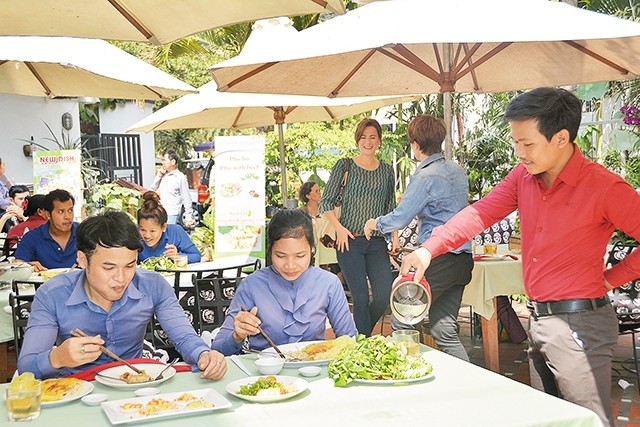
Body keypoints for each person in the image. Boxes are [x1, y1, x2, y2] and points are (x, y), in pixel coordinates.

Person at [400, 87, 640, 427]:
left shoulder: (604, 187)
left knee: (590, 422)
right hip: (539, 320)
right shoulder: (523, 176)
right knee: (549, 419)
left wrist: (611, 278)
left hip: (580, 324)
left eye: (527, 144)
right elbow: (481, 213)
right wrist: (428, 249)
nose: (519, 152)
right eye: (516, 142)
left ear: (560, 138)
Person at [17, 209, 227, 380]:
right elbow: (27, 366)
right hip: (75, 389)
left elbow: (184, 337)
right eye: (108, 268)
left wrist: (204, 354)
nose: (121, 278)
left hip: (134, 385)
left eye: (130, 265)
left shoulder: (153, 285)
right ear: (82, 260)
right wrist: (57, 357)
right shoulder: (52, 294)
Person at [364, 114, 473, 361]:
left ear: (415, 143)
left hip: (437, 258)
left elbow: (401, 218)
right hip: (463, 259)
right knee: (443, 329)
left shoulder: (425, 176)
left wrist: (374, 223)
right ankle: (466, 384)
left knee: (402, 321)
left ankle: (406, 384)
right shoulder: (457, 171)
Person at [212, 208, 357, 356]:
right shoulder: (251, 285)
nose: (290, 265)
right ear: (270, 251)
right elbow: (217, 349)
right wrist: (237, 336)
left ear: (312, 249)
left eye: (300, 256)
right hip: (263, 374)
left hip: (314, 372)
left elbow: (349, 339)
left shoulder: (328, 284)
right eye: (281, 256)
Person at [319, 118, 399, 336]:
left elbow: (390, 207)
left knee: (383, 295)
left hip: (376, 242)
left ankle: (357, 335)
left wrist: (396, 237)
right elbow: (325, 202)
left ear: (379, 140)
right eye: (363, 137)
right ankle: (363, 345)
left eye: (373, 137)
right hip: (349, 241)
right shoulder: (344, 165)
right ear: (357, 140)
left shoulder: (386, 171)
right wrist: (340, 229)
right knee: (361, 298)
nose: (368, 141)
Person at [14, 189, 78, 271]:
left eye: (70, 210)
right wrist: (27, 266)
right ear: (48, 215)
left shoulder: (84, 233)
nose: (67, 217)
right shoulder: (32, 237)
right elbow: (18, 265)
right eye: (61, 212)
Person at [137, 191, 201, 264]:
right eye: (142, 230)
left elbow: (196, 256)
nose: (147, 235)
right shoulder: (134, 235)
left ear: (163, 227)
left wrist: (177, 256)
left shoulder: (175, 231)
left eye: (152, 231)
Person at [298, 181, 338, 268]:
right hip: (310, 250)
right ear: (308, 196)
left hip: (328, 249)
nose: (320, 193)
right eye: (316, 191)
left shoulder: (326, 210)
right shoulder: (302, 213)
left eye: (319, 190)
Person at [151, 149, 194, 226]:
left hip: (172, 214)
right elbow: (152, 189)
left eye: (164, 160)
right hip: (160, 213)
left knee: (170, 236)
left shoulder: (180, 177)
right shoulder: (163, 175)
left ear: (173, 162)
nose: (162, 163)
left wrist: (188, 216)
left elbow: (186, 197)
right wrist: (159, 176)